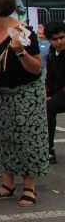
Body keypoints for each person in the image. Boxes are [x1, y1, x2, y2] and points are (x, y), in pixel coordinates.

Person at [0, 0, 46, 207]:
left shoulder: (23, 32)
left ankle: (29, 187)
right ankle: (7, 184)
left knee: (27, 138)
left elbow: (36, 68)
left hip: (24, 91)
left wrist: (20, 52)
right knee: (2, 136)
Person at [44, 21, 65, 164]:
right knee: (47, 106)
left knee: (49, 107)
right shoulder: (51, 53)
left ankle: (49, 149)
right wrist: (48, 93)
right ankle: (48, 148)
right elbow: (50, 76)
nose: (60, 41)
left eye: (62, 37)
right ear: (49, 40)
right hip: (58, 91)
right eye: (55, 39)